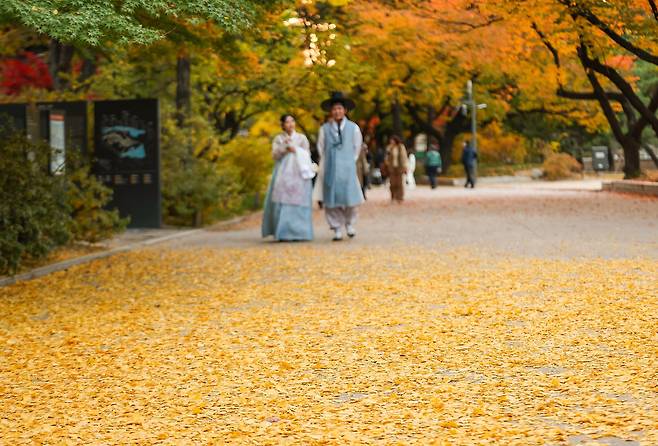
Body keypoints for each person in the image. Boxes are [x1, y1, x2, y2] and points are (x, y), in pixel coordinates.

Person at [316, 92, 364, 241]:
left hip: (348, 167)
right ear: (331, 111)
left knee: (351, 198)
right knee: (331, 200)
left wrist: (351, 160)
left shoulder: (353, 127)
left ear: (345, 110)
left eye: (339, 108)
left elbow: (357, 146)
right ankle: (336, 227)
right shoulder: (324, 129)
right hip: (330, 167)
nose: (337, 111)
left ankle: (349, 224)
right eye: (334, 109)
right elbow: (320, 147)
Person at [262, 114, 315, 241]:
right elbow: (275, 155)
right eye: (287, 122)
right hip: (282, 173)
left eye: (292, 121)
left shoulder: (301, 138)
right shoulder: (279, 139)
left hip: (299, 173)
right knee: (282, 201)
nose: (290, 124)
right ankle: (283, 232)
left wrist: (295, 149)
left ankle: (300, 232)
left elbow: (307, 154)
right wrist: (284, 148)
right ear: (282, 125)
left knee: (298, 201)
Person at [384, 135, 409, 202]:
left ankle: (400, 197)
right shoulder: (389, 147)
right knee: (392, 183)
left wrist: (405, 167)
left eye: (392, 140)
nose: (391, 141)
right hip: (392, 168)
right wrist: (387, 163)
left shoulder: (401, 147)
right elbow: (386, 157)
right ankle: (393, 196)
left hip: (399, 168)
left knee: (400, 183)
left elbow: (404, 157)